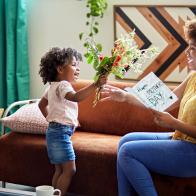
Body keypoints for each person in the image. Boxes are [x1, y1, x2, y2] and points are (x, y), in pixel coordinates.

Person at [100, 19, 196, 196]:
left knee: (128, 152)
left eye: (193, 48)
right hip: (180, 139)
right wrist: (126, 97)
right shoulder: (193, 77)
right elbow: (166, 101)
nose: (187, 52)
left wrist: (174, 123)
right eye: (189, 46)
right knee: (125, 141)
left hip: (193, 152)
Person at [38, 47, 107, 196]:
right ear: (60, 68)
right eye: (74, 65)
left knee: (59, 170)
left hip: (54, 131)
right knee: (70, 169)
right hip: (60, 133)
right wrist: (95, 85)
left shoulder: (52, 86)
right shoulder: (63, 85)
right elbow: (75, 97)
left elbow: (41, 105)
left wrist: (52, 120)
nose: (78, 69)